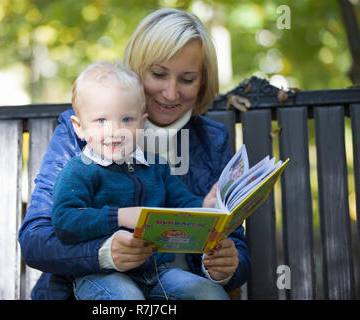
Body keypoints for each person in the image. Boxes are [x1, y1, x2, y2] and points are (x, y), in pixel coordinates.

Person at [19, 8, 251, 300]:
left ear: (202, 82)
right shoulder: (84, 130)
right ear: (136, 69)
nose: (170, 93)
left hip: (171, 281)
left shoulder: (209, 141)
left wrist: (225, 265)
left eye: (187, 79)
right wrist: (103, 252)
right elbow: (36, 239)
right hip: (97, 286)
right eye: (158, 74)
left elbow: (233, 244)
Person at [51, 60, 229, 300]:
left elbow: (183, 205)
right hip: (100, 274)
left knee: (210, 294)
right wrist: (120, 216)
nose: (114, 131)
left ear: (142, 123)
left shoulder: (156, 167)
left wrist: (205, 209)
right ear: (79, 127)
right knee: (127, 298)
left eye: (126, 120)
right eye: (101, 120)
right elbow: (64, 221)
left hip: (156, 273)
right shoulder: (79, 170)